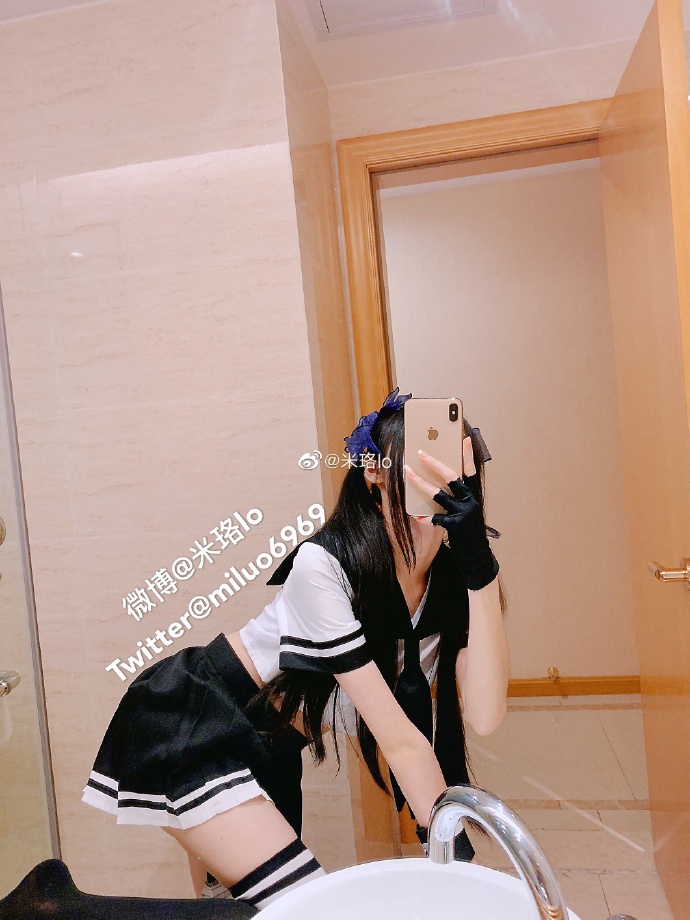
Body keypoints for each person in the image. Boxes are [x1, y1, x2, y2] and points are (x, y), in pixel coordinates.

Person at [79, 388, 509, 912]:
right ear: (375, 473)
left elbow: (484, 714)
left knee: (242, 910)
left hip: (273, 746)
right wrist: (458, 871)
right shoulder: (323, 566)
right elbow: (400, 742)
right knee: (306, 908)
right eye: (419, 464)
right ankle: (49, 906)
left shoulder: (454, 580)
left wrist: (481, 571)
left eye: (454, 468)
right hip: (195, 721)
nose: (438, 482)